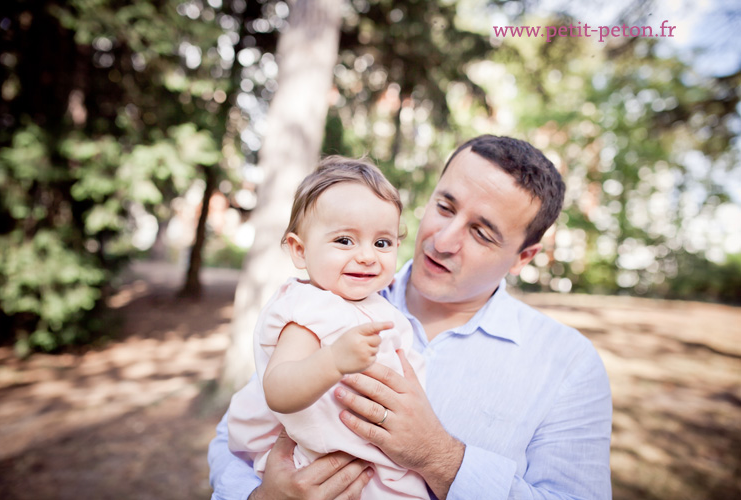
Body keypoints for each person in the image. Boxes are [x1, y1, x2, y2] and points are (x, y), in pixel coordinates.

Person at [208, 135, 613, 500]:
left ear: (522, 257)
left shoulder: (569, 366)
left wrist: (440, 458)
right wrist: (261, 498)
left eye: (481, 233)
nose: (443, 240)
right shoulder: (329, 297)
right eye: (444, 207)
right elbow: (238, 432)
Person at [226, 156, 429, 499]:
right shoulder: (307, 309)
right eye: (345, 241)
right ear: (300, 251)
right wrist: (333, 361)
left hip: (375, 462)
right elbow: (277, 388)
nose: (367, 256)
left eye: (382, 242)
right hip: (319, 461)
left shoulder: (379, 306)